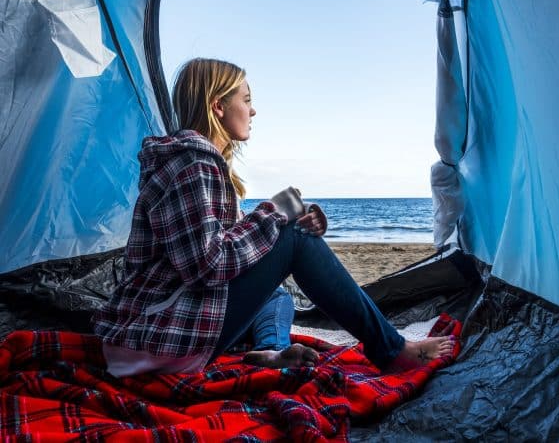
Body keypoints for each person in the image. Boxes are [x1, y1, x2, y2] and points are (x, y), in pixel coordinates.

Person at [92, 58, 455, 377]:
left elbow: (228, 243)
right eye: (246, 100)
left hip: (153, 330)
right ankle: (391, 350)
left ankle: (270, 350)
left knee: (278, 296)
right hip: (156, 338)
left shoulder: (197, 163)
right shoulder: (193, 163)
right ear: (218, 106)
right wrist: (277, 214)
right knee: (295, 240)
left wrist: (286, 219)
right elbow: (207, 266)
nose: (253, 111)